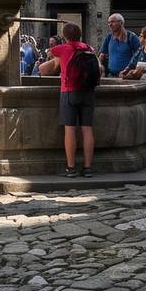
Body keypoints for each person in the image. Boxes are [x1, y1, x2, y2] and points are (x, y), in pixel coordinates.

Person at [37, 22, 98, 178]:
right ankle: (88, 167)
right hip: (89, 91)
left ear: (64, 37)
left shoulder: (62, 48)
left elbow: (51, 53)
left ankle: (71, 168)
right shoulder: (88, 48)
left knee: (69, 129)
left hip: (69, 91)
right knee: (87, 129)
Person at [99, 13, 141, 79]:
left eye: (112, 22)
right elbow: (102, 54)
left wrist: (133, 72)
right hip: (111, 75)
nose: (110, 25)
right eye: (109, 22)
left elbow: (140, 55)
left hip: (127, 76)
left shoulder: (131, 37)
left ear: (121, 23)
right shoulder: (109, 37)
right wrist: (99, 65)